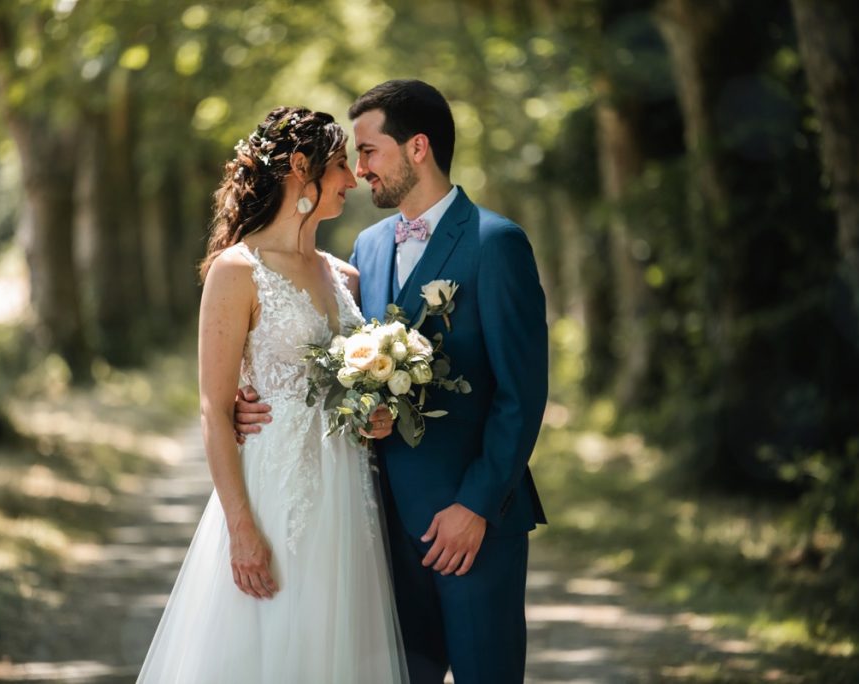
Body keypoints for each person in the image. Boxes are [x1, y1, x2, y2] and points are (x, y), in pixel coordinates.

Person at [236, 80, 549, 683]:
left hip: (472, 525)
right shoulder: (367, 249)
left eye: (370, 151)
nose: (358, 170)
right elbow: (339, 368)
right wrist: (243, 403)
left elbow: (522, 393)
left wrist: (476, 506)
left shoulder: (496, 243)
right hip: (378, 529)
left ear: (418, 149)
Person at [136, 106, 408, 683]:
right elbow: (213, 409)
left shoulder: (345, 276)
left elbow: (345, 387)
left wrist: (374, 413)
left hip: (347, 495)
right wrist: (240, 527)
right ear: (300, 167)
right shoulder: (237, 271)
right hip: (272, 495)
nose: (352, 179)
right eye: (340, 164)